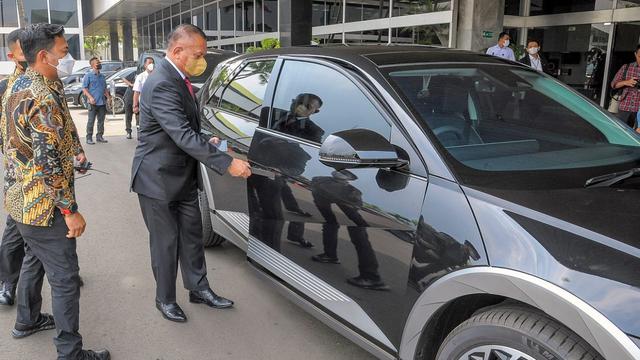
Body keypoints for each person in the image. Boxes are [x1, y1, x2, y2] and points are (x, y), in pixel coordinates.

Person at [131, 24, 251, 323]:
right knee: (166, 243)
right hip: (156, 179)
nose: (202, 59)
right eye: (199, 54)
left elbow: (183, 130)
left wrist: (206, 140)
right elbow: (181, 133)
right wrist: (226, 163)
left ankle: (199, 289)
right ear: (177, 51)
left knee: (193, 237)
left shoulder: (178, 78)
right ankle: (165, 299)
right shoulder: (161, 82)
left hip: (182, 177)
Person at [4, 23, 109, 359]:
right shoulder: (42, 94)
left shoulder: (16, 86)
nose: (69, 57)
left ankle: (27, 320)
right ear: (44, 55)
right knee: (65, 278)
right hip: (45, 206)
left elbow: (18, 140)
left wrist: (73, 149)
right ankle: (70, 352)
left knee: (34, 259)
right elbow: (47, 162)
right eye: (64, 51)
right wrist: (68, 210)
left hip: (20, 200)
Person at [0, 28, 28, 306]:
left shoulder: (44, 80)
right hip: (20, 174)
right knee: (15, 229)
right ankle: (7, 282)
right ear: (12, 55)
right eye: (24, 52)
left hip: (46, 173)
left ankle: (63, 269)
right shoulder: (6, 88)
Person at [82, 56, 111, 144]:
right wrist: (90, 97)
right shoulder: (88, 76)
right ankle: (89, 138)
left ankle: (100, 136)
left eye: (99, 63)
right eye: (97, 63)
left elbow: (105, 88)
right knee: (91, 121)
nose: (99, 64)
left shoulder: (102, 76)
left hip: (102, 102)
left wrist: (109, 98)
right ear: (93, 65)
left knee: (101, 121)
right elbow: (84, 88)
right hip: (92, 103)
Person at [611, 45, 640, 132]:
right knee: (620, 132)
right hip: (625, 107)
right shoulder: (626, 67)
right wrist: (626, 82)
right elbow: (613, 84)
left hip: (639, 110)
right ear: (635, 54)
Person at [132, 56, 155, 132]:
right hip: (144, 106)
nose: (151, 65)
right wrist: (135, 106)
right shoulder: (140, 77)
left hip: (155, 105)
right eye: (149, 63)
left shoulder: (157, 76)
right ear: (145, 65)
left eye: (152, 63)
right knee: (143, 126)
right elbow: (136, 92)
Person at [122, 64, 138, 139]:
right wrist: (131, 84)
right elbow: (124, 78)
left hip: (138, 98)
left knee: (138, 116)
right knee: (128, 115)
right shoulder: (135, 73)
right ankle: (128, 132)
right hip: (129, 96)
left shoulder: (146, 74)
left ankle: (139, 132)